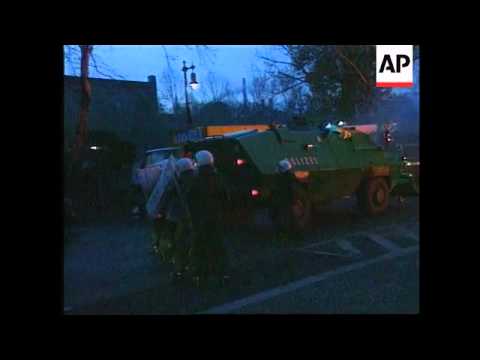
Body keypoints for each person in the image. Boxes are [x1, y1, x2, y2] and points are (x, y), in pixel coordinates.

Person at [188, 150, 230, 287]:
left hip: (201, 219)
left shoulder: (195, 180)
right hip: (216, 217)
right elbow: (225, 197)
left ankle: (202, 275)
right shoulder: (218, 177)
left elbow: (190, 201)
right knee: (218, 245)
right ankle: (222, 273)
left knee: (200, 247)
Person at [157, 158, 196, 281]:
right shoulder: (196, 178)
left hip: (177, 217)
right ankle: (193, 267)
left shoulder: (175, 182)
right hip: (194, 216)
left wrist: (160, 211)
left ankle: (180, 270)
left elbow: (165, 197)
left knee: (179, 244)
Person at [270, 159, 299, 244]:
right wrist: (294, 200)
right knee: (290, 217)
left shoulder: (278, 177)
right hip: (287, 201)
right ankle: (292, 235)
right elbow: (293, 189)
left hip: (279, 201)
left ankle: (281, 235)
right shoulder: (290, 177)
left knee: (280, 218)